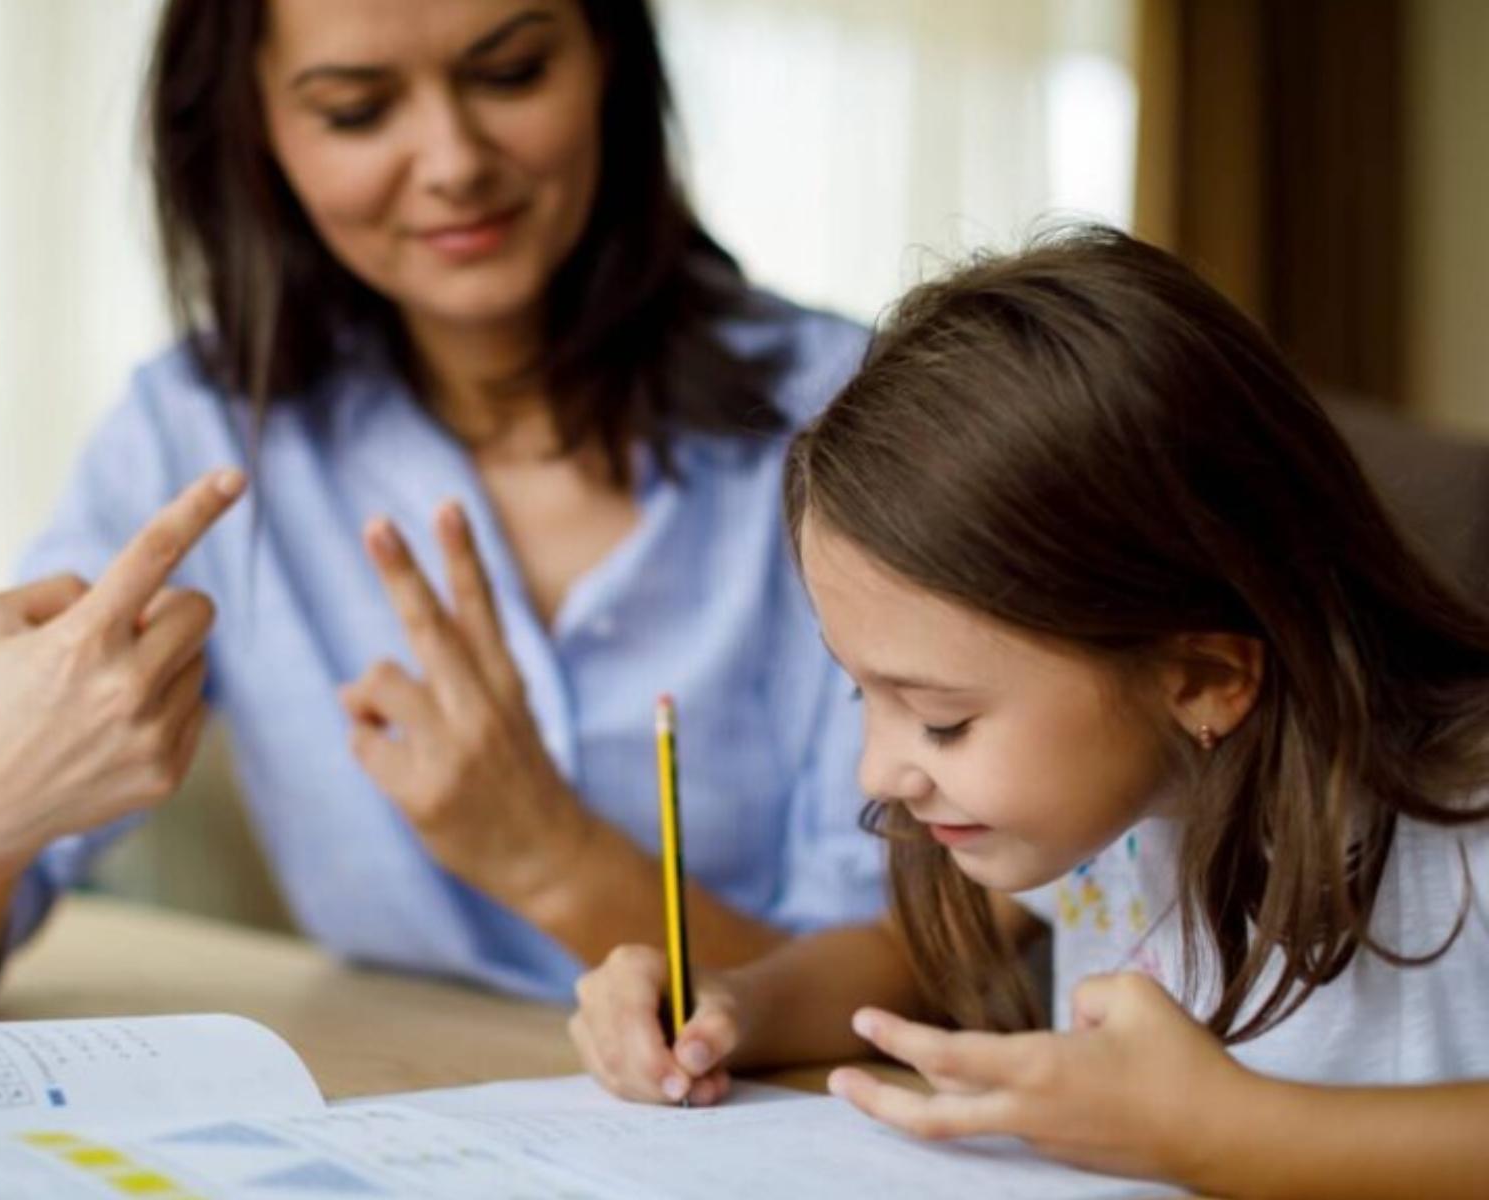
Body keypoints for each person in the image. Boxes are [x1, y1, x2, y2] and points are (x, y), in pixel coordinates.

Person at [0, 0, 882, 1006]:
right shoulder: (198, 433)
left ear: (610, 62)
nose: (452, 161)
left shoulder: (858, 415)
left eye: (512, 74)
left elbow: (930, 967)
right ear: (254, 129)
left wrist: (551, 859)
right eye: (358, 112)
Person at [569, 227, 1489, 1197]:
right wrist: (731, 1006)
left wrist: (1222, 1133)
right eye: (862, 695)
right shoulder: (1119, 812)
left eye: (943, 720)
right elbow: (897, 958)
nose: (875, 773)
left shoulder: (1463, 827)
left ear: (1203, 678)